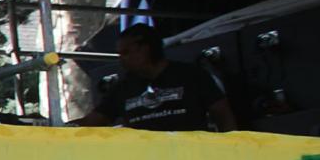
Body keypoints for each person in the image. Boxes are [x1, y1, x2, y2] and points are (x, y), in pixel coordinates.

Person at [80, 27, 237, 131]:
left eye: (126, 52)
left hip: (192, 159)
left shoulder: (191, 75)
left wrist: (231, 150)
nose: (121, 59)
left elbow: (222, 113)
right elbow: (94, 121)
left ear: (145, 48)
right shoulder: (122, 88)